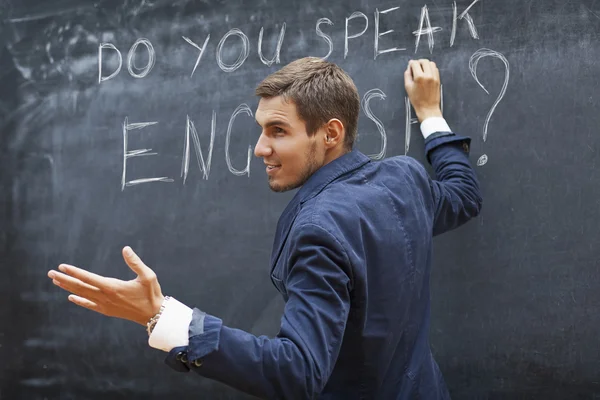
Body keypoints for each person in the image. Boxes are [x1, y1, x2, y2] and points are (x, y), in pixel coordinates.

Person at [47, 57, 482, 399]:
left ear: (330, 133)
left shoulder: (319, 232)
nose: (259, 148)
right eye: (261, 130)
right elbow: (463, 195)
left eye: (278, 131)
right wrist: (430, 114)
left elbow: (297, 372)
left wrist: (163, 317)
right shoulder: (405, 180)